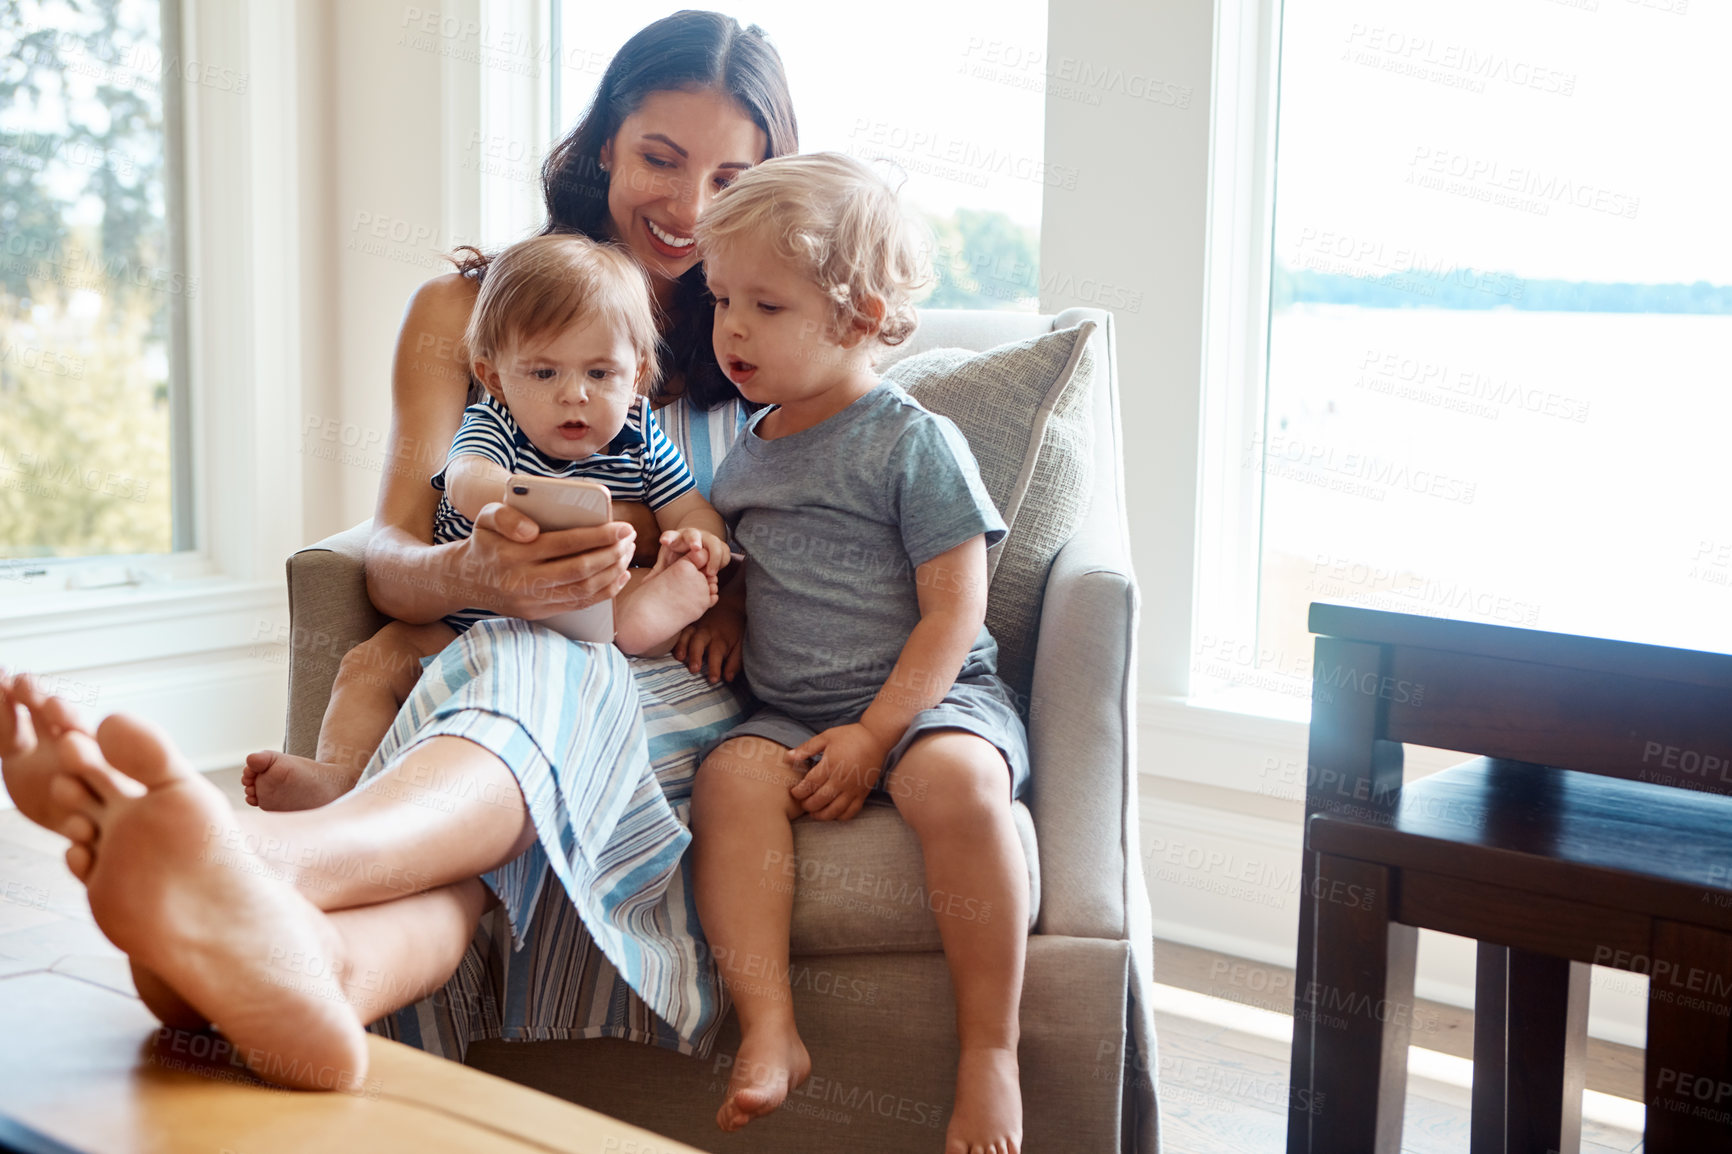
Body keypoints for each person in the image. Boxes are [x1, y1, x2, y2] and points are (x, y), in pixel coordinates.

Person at [0, 10, 799, 1092]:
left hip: (666, 691)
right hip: (485, 659)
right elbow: (389, 549)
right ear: (603, 140)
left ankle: (255, 863)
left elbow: (820, 521)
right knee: (508, 708)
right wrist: (479, 570)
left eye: (728, 176)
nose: (688, 206)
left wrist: (725, 596)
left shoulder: (767, 330)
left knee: (544, 663)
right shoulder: (471, 310)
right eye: (660, 157)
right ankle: (321, 969)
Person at [689, 153, 1030, 1154]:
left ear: (857, 314)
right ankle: (770, 1026)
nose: (731, 330)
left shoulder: (912, 442)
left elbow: (954, 608)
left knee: (961, 789)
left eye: (766, 304)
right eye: (719, 301)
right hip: (789, 709)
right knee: (726, 783)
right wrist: (730, 608)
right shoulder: (752, 444)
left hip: (928, 698)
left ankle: (990, 1049)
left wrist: (879, 731)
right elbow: (764, 564)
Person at [241, 233, 729, 811]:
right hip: (467, 622)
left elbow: (689, 507)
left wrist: (699, 540)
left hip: (581, 626)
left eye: (600, 373)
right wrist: (534, 499)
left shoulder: (639, 434)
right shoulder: (493, 422)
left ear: (638, 373)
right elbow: (466, 479)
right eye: (544, 374)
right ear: (496, 378)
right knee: (370, 662)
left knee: (647, 579)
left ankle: (648, 618)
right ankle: (338, 778)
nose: (575, 395)